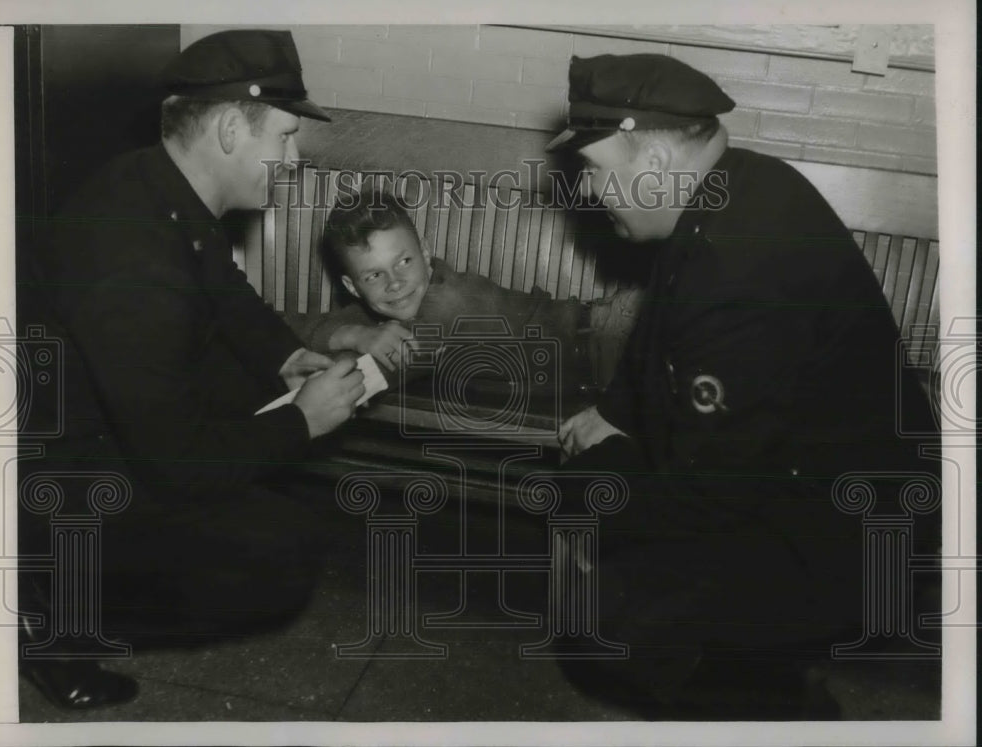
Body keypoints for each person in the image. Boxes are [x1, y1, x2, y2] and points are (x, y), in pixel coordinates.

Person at [546, 53, 940, 718]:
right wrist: (615, 412)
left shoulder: (735, 271)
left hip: (849, 538)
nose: (586, 193)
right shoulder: (738, 186)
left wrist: (587, 488)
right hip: (816, 491)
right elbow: (660, 327)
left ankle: (784, 712)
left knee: (606, 630)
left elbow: (709, 497)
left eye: (594, 173)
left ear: (658, 167)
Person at [18, 29, 365, 709]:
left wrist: (290, 356)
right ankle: (47, 618)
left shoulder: (157, 180)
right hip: (56, 479)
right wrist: (302, 419)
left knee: (248, 396)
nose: (292, 160)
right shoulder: (133, 254)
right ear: (233, 129)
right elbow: (175, 459)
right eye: (286, 138)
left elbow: (227, 292)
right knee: (279, 556)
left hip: (97, 430)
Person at [284, 189, 643, 394]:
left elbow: (374, 370)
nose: (394, 282)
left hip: (615, 338)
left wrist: (324, 363)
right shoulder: (392, 310)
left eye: (405, 261)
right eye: (374, 275)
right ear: (352, 286)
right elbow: (280, 327)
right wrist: (351, 332)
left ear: (426, 253)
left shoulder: (449, 302)